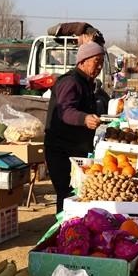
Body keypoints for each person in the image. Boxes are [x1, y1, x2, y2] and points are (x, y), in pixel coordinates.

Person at [44, 41, 104, 214]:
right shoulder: (70, 82)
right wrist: (84, 119)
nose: (99, 66)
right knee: (66, 194)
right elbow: (65, 111)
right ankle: (64, 233)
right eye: (96, 61)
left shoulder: (86, 82)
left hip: (75, 147)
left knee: (75, 194)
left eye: (101, 62)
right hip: (61, 150)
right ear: (82, 61)